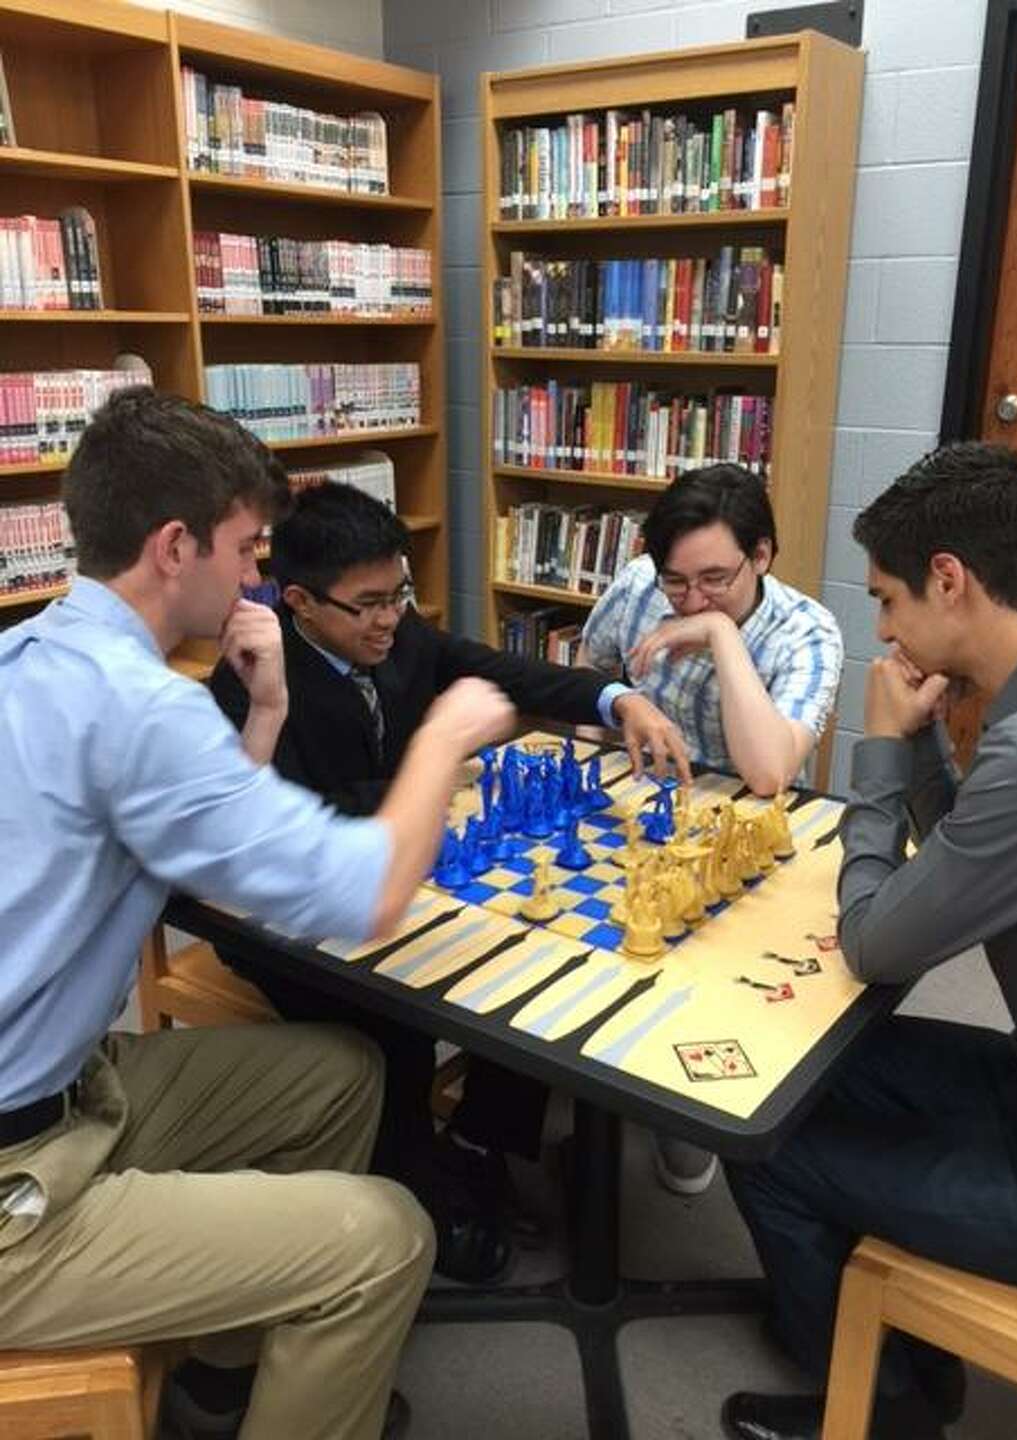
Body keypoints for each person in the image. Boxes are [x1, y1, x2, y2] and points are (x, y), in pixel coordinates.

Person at [0, 387, 518, 1440]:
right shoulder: (141, 708)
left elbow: (204, 860)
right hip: (17, 1185)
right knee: (386, 1237)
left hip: (71, 1085)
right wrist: (446, 735)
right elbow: (366, 891)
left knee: (345, 1072)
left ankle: (229, 1372)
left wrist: (270, 709)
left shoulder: (41, 654)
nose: (256, 577)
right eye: (246, 549)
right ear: (175, 545)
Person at [208, 480, 692, 1283]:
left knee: (523, 970)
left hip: (402, 875)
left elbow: (505, 672)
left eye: (398, 591)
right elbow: (287, 819)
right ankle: (423, 1183)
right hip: (281, 919)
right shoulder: (248, 679)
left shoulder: (401, 639)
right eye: (367, 604)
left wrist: (617, 698)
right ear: (298, 601)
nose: (391, 617)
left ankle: (479, 1143)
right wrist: (434, 771)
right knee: (392, 1031)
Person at [720, 442, 1017, 1440]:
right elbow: (973, 857)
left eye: (887, 600)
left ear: (950, 581)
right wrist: (922, 741)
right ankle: (906, 1353)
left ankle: (881, 1412)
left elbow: (879, 942)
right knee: (818, 1070)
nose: (882, 628)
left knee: (760, 1138)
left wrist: (879, 749)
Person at [579, 462, 843, 1194]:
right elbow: (589, 674)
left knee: (693, 970)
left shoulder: (807, 632)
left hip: (739, 835)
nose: (690, 598)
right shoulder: (636, 587)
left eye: (717, 579)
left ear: (762, 556)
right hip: (638, 801)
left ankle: (676, 1106)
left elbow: (767, 773)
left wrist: (721, 637)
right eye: (677, 582)